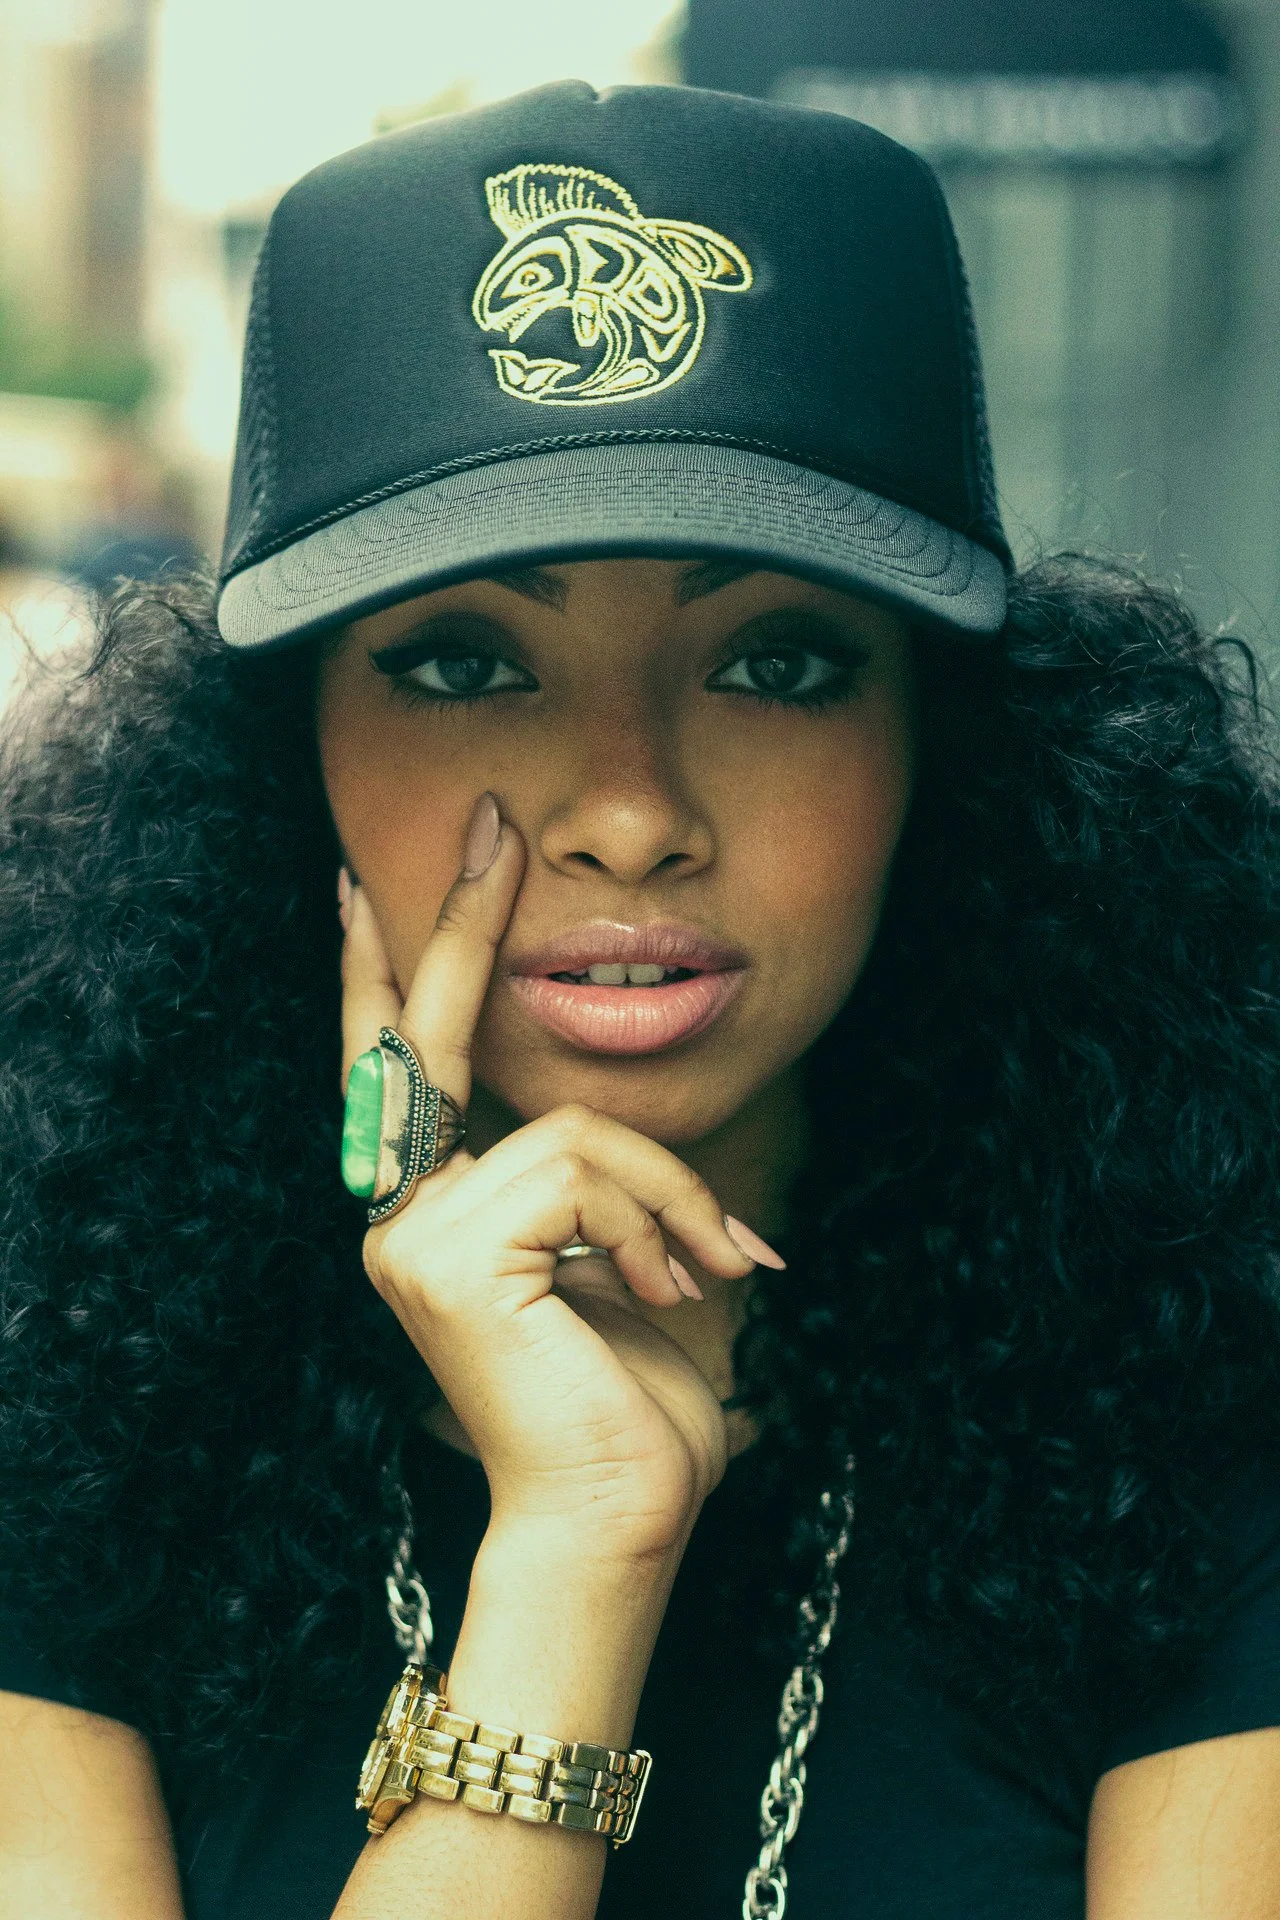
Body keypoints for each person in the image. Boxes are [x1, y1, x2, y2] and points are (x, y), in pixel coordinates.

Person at [3, 79, 1280, 1920]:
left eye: (779, 662)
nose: (628, 811)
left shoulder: (1210, 1418)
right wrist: (579, 1542)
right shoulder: (54, 1426)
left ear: (950, 746)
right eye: (465, 664)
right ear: (284, 760)